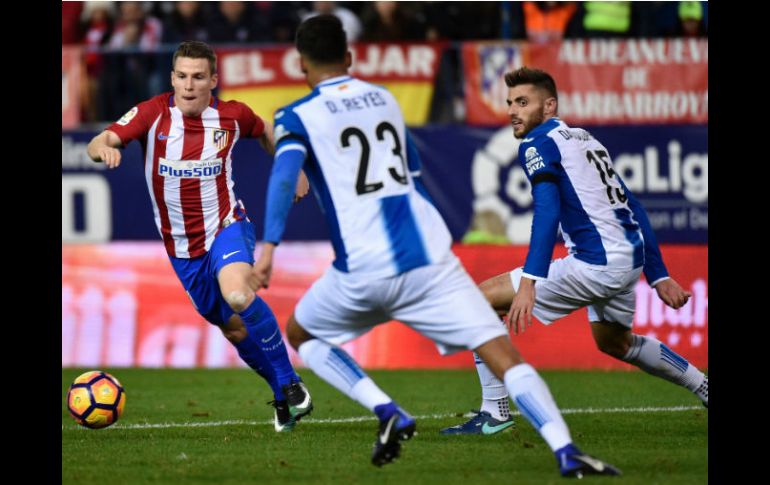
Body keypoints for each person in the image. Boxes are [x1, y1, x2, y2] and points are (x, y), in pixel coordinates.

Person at [254, 15, 619, 478]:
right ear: (349, 57)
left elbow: (285, 176)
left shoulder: (294, 117)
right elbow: (416, 176)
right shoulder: (384, 99)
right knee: (503, 355)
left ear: (300, 63)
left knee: (302, 333)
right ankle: (566, 451)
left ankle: (387, 410)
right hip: (431, 261)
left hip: (363, 268)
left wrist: (267, 247)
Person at [442, 66, 708, 435]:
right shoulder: (584, 139)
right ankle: (703, 385)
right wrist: (656, 274)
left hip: (595, 265)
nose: (513, 111)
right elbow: (633, 205)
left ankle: (495, 413)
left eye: (523, 102)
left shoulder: (537, 143)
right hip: (626, 261)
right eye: (510, 103)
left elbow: (548, 211)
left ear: (549, 106)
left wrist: (530, 281)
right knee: (616, 343)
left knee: (482, 300)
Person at [86, 40, 313, 433]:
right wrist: (103, 149)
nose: (189, 86)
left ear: (213, 80)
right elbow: (99, 140)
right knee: (233, 327)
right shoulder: (151, 115)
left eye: (198, 77)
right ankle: (281, 394)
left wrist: (291, 167)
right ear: (172, 78)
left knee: (239, 295)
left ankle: (291, 383)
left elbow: (265, 133)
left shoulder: (232, 117)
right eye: (182, 77)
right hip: (181, 249)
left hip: (226, 225)